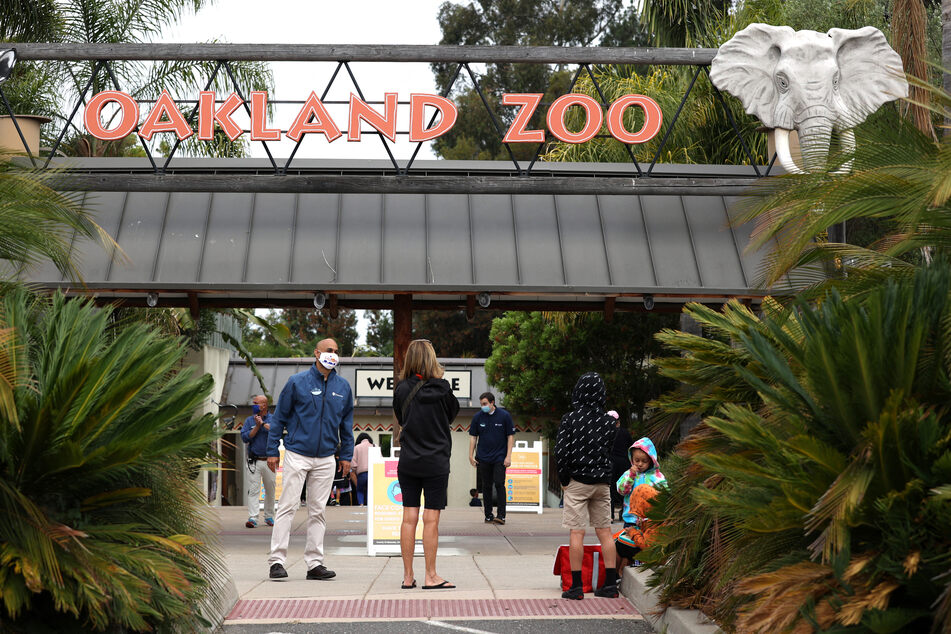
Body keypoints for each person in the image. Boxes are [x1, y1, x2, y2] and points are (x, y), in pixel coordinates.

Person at [266, 338, 354, 582]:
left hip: (326, 457)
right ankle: (276, 561)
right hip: (297, 454)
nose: (333, 354)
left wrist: (346, 455)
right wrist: (272, 449)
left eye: (336, 351)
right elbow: (279, 418)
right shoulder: (297, 382)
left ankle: (315, 563)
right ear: (316, 353)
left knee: (318, 511)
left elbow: (347, 426)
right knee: (287, 507)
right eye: (329, 350)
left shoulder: (343, 387)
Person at [393, 339, 459, 590]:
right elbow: (451, 415)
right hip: (436, 461)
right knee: (431, 520)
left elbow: (401, 417)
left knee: (409, 517)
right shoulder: (443, 389)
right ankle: (431, 576)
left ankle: (408, 576)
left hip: (409, 460)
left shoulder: (401, 389)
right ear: (432, 359)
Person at [553, 371, 621, 600]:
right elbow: (609, 452)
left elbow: (561, 452)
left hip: (578, 481)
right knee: (605, 532)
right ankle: (610, 585)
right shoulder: (610, 422)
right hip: (602, 483)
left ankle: (576, 587)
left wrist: (564, 481)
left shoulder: (570, 419)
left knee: (577, 533)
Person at [615, 437, 666, 571]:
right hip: (631, 519)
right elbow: (621, 490)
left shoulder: (657, 477)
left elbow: (665, 495)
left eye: (644, 461)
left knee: (643, 544)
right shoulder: (629, 474)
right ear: (631, 459)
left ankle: (641, 564)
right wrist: (631, 475)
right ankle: (626, 568)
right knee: (628, 545)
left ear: (651, 460)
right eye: (637, 460)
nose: (640, 464)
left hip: (649, 520)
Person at [468, 391, 515, 525]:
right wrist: (470, 455)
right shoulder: (478, 417)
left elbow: (510, 436)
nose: (483, 406)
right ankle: (488, 515)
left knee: (499, 484)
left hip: (500, 457)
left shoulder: (504, 416)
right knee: (486, 486)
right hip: (483, 457)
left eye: (485, 404)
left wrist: (508, 456)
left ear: (492, 403)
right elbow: (473, 437)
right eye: (481, 404)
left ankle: (501, 515)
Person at [240, 394, 276, 528]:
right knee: (253, 489)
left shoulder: (273, 419)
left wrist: (264, 425)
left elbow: (277, 432)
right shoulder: (249, 420)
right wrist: (256, 426)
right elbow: (245, 438)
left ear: (264, 405)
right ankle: (253, 517)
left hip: (269, 460)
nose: (253, 405)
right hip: (254, 461)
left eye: (256, 403)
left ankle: (269, 516)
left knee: (270, 490)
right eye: (253, 402)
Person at [609, 410, 633, 522]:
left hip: (611, 464)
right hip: (624, 463)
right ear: (618, 422)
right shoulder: (625, 433)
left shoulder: (606, 433)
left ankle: (611, 514)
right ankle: (623, 512)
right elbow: (631, 448)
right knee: (624, 486)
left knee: (611, 488)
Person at [351, 432, 374, 505]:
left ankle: (361, 504)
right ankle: (369, 505)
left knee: (360, 490)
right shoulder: (374, 446)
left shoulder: (357, 447)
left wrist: (354, 470)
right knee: (370, 490)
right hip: (373, 473)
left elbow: (353, 463)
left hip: (361, 474)